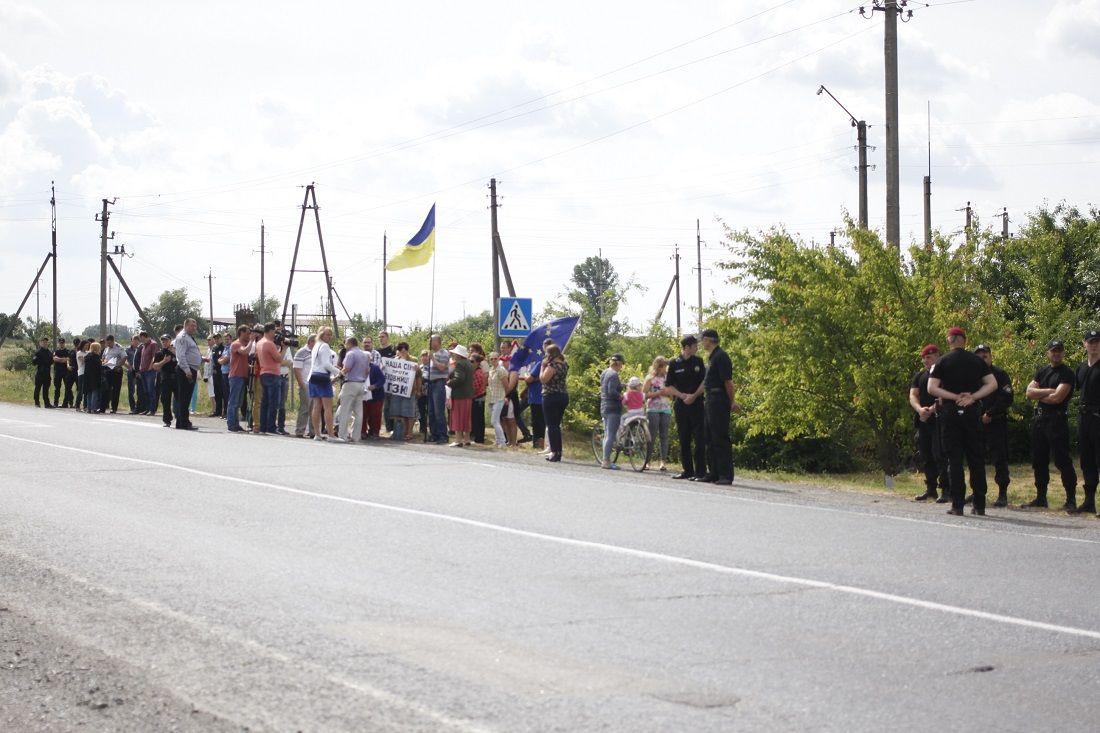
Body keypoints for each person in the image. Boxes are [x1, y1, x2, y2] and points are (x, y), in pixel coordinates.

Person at [927, 327, 998, 516]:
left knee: (954, 460)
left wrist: (953, 396)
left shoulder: (942, 361)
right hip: (971, 412)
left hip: (951, 412)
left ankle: (957, 504)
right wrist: (973, 397)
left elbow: (931, 388)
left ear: (950, 340)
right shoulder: (976, 361)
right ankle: (979, 504)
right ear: (964, 341)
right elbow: (992, 384)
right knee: (976, 458)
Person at [1022, 340, 1078, 511]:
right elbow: (1028, 392)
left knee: (1062, 460)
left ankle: (1071, 500)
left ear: (1063, 353)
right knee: (1039, 460)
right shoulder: (1042, 371)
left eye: (1059, 351)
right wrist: (1048, 391)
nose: (1056, 354)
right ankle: (1041, 498)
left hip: (1056, 421)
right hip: (1040, 421)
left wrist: (1039, 394)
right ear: (1048, 353)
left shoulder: (1067, 373)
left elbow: (1058, 398)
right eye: (1053, 351)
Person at [698, 329, 740, 486]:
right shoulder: (712, 357)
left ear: (709, 340)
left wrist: (732, 401)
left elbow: (728, 382)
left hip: (718, 399)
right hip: (710, 399)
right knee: (709, 436)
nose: (702, 343)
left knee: (720, 437)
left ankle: (725, 474)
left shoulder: (721, 356)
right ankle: (714, 472)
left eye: (703, 340)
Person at [974, 344, 1014, 508]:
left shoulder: (999, 374)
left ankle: (1002, 493)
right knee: (976, 458)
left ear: (991, 357)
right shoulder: (972, 376)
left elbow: (1007, 397)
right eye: (978, 357)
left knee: (999, 458)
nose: (982, 360)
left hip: (995, 422)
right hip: (976, 423)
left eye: (985, 356)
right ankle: (977, 492)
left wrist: (990, 413)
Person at [909, 344, 950, 503]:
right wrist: (920, 410)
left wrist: (931, 410)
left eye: (929, 357)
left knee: (940, 455)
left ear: (937, 357)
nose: (926, 360)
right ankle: (931, 488)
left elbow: (946, 394)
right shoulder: (920, 376)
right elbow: (913, 395)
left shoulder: (943, 374)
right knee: (926, 455)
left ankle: (946, 489)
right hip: (923, 420)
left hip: (939, 419)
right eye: (924, 358)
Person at [666, 335, 707, 480]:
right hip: (681, 404)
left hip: (697, 403)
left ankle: (700, 472)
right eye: (695, 346)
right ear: (687, 347)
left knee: (699, 438)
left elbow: (704, 382)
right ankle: (687, 470)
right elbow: (669, 385)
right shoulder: (674, 363)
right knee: (684, 438)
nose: (697, 348)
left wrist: (694, 395)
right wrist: (682, 395)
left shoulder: (698, 361)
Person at [1074, 329, 1100, 516]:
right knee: (1087, 460)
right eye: (1090, 342)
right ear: (1085, 344)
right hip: (1084, 418)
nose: (1094, 345)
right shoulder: (1081, 368)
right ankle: (1089, 502)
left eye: (1097, 342)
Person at [309, 326, 342, 441]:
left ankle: (317, 434)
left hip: (313, 376)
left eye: (330, 334)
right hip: (322, 377)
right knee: (328, 407)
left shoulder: (315, 346)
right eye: (327, 334)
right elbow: (326, 364)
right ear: (322, 335)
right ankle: (331, 435)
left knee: (316, 406)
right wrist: (339, 372)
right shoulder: (325, 346)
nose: (329, 337)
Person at [335, 336, 367, 443]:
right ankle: (356, 436)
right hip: (361, 384)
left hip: (350, 383)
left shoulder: (350, 354)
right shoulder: (364, 354)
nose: (345, 346)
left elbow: (346, 368)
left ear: (349, 344)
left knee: (345, 410)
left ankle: (343, 435)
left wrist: (337, 377)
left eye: (346, 344)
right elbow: (367, 370)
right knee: (358, 412)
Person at [540, 344, 569, 462]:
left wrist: (542, 366)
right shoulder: (564, 364)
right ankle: (558, 451)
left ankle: (554, 452)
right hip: (563, 395)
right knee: (556, 425)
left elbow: (543, 379)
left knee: (551, 425)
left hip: (551, 396)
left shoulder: (552, 366)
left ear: (550, 354)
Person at [643, 356, 673, 472]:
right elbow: (644, 395)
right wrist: (657, 393)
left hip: (666, 408)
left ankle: (663, 461)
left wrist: (668, 393)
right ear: (659, 366)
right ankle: (647, 461)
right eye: (664, 366)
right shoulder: (650, 378)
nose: (666, 368)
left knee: (664, 436)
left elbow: (672, 394)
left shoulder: (668, 378)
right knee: (652, 435)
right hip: (653, 409)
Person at [172, 319, 202, 430]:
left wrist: (201, 359)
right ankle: (183, 422)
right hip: (186, 371)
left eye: (195, 326)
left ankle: (182, 422)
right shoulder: (183, 337)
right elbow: (180, 355)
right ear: (185, 326)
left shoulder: (189, 337)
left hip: (190, 369)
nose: (194, 328)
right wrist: (187, 371)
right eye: (192, 326)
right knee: (184, 398)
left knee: (186, 397)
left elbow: (190, 353)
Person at [255, 323, 282, 435]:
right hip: (272, 373)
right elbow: (279, 358)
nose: (275, 334)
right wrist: (284, 348)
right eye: (274, 331)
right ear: (270, 331)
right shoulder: (269, 343)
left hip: (263, 372)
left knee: (265, 402)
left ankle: (263, 426)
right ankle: (271, 427)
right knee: (273, 402)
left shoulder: (259, 343)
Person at [600, 353, 625, 470]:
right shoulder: (614, 374)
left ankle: (605, 459)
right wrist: (622, 397)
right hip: (613, 408)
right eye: (622, 364)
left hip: (604, 406)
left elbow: (605, 388)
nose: (622, 367)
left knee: (606, 434)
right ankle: (606, 461)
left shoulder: (605, 372)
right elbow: (612, 391)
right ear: (619, 363)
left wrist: (622, 385)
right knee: (611, 435)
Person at [225, 326, 252, 433]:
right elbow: (244, 352)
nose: (249, 335)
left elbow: (241, 360)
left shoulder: (243, 344)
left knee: (238, 402)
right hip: (236, 376)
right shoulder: (236, 344)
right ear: (241, 333)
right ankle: (231, 424)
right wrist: (252, 340)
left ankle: (235, 424)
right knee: (233, 401)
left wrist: (249, 366)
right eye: (248, 333)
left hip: (242, 376)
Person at [290, 334, 317, 437]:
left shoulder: (316, 352)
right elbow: (296, 368)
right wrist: (301, 383)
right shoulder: (302, 352)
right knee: (305, 408)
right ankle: (300, 431)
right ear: (311, 342)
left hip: (315, 384)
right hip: (306, 383)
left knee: (315, 409)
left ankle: (313, 431)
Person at [447, 344, 474, 446]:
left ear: (458, 355)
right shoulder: (469, 363)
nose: (453, 355)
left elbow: (459, 379)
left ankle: (458, 440)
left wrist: (449, 383)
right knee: (466, 418)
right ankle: (466, 439)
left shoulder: (460, 364)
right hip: (468, 394)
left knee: (458, 417)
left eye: (454, 353)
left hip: (460, 395)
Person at [427, 335, 450, 444]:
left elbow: (442, 367)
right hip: (431, 383)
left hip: (439, 383)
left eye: (431, 340)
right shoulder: (433, 353)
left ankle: (443, 435)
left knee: (438, 411)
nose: (430, 342)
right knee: (431, 411)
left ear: (437, 341)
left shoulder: (443, 353)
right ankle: (434, 434)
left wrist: (432, 359)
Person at [152, 335, 176, 426]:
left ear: (170, 341)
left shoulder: (176, 351)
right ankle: (167, 419)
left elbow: (183, 359)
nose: (164, 342)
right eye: (163, 341)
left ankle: (180, 417)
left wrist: (175, 352)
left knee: (179, 399)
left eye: (166, 340)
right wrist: (164, 361)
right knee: (165, 399)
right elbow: (155, 366)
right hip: (166, 379)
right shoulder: (160, 353)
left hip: (177, 378)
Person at [487, 352, 509, 447]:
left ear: (498, 359)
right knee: (496, 421)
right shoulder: (491, 370)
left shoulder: (501, 370)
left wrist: (506, 396)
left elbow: (506, 386)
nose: (493, 360)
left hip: (499, 397)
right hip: (491, 398)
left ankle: (502, 441)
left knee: (494, 421)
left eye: (495, 358)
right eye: (491, 359)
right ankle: (498, 440)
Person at [100, 335, 126, 414]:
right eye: (107, 343)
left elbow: (124, 357)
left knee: (115, 390)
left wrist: (118, 366)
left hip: (116, 370)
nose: (108, 345)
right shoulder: (106, 348)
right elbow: (103, 358)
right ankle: (103, 408)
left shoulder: (119, 347)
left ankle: (114, 408)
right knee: (105, 389)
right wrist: (103, 362)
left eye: (110, 343)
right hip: (107, 370)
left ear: (113, 341)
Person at [363, 360, 386, 438]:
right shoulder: (358, 367)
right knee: (363, 414)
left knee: (375, 415)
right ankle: (363, 432)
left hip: (376, 396)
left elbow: (382, 379)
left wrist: (375, 386)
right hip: (363, 396)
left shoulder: (375, 368)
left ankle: (375, 432)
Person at [471, 353, 488, 443]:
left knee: (478, 418)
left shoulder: (478, 373)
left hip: (478, 397)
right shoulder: (474, 371)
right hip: (477, 397)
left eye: (472, 361)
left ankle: (479, 438)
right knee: (476, 417)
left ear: (477, 362)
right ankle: (477, 437)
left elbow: (475, 388)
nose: (470, 363)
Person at [139, 332, 158, 415]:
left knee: (151, 390)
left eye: (142, 338)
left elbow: (154, 356)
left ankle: (152, 409)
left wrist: (151, 366)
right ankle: (147, 409)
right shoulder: (143, 346)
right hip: (143, 370)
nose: (141, 340)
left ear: (145, 337)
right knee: (146, 391)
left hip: (150, 371)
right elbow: (142, 358)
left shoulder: (153, 344)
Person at [32, 337, 53, 408]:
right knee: (38, 388)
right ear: (41, 343)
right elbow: (34, 362)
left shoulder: (49, 352)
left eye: (46, 342)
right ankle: (37, 402)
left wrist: (47, 362)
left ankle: (47, 403)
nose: (45, 343)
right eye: (43, 342)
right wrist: (42, 362)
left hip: (47, 373)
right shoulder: (38, 352)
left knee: (46, 389)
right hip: (40, 373)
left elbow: (51, 361)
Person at [52, 337, 73, 408]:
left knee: (68, 388)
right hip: (58, 372)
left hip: (66, 372)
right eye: (60, 343)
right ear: (59, 343)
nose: (61, 344)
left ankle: (68, 403)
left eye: (62, 343)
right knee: (57, 388)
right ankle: (55, 403)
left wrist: (60, 359)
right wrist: (63, 359)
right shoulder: (56, 351)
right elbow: (55, 359)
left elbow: (68, 359)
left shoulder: (68, 351)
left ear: (64, 343)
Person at [83, 342, 103, 413]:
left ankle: (89, 408)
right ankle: (93, 408)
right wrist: (103, 363)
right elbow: (99, 367)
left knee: (89, 393)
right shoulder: (96, 357)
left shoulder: (87, 356)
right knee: (95, 392)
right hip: (95, 377)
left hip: (87, 377)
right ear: (97, 349)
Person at [417, 349, 431, 440]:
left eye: (426, 356)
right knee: (421, 411)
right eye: (423, 356)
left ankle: (431, 428)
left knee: (430, 411)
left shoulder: (432, 367)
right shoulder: (419, 367)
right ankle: (422, 427)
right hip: (421, 393)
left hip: (429, 392)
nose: (424, 358)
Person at [74, 339, 88, 411]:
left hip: (87, 373)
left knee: (86, 390)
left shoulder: (88, 353)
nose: (87, 347)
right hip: (81, 372)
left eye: (88, 345)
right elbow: (83, 360)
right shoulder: (79, 353)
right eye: (85, 345)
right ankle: (77, 405)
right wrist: (88, 358)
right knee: (81, 390)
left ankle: (85, 406)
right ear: (82, 345)